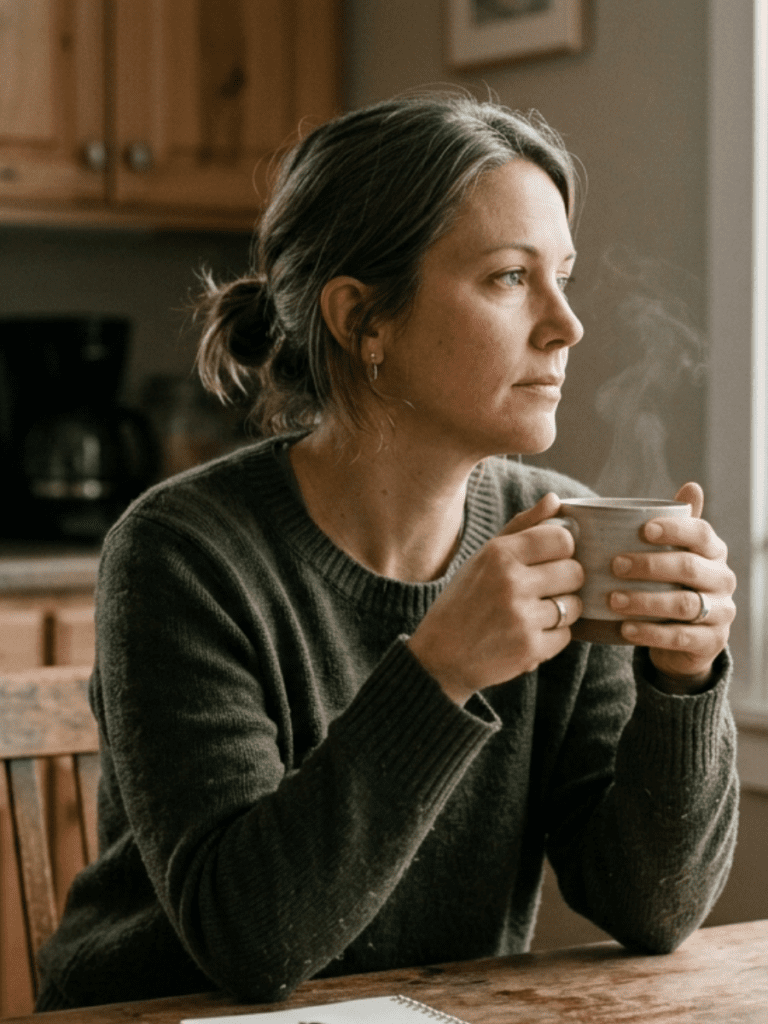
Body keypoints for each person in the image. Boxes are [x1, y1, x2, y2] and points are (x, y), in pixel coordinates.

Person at [36, 93, 738, 1010]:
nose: (566, 325)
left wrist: (684, 685)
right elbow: (247, 941)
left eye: (562, 275)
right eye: (508, 278)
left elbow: (651, 909)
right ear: (362, 319)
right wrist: (441, 671)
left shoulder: (552, 531)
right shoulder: (182, 553)